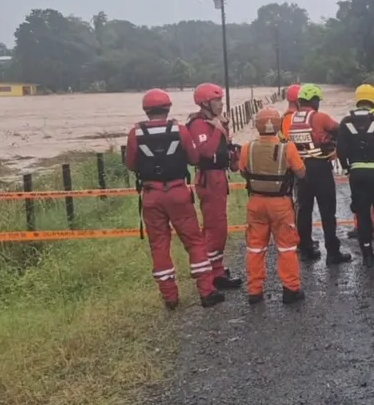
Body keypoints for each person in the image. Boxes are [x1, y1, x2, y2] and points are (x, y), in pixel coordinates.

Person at [125, 89, 225, 309]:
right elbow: (194, 158)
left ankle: (170, 298)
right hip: (178, 192)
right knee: (194, 241)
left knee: (159, 245)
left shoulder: (135, 133)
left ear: (146, 110)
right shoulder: (179, 129)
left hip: (151, 194)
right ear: (168, 107)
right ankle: (207, 292)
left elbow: (131, 164)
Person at [239, 107, 306, 305]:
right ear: (278, 126)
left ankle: (254, 291)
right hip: (281, 205)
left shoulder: (246, 148)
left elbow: (243, 172)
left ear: (257, 125)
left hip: (256, 203)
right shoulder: (288, 148)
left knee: (255, 248)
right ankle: (290, 290)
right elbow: (301, 173)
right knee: (287, 248)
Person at [287, 84, 352, 265]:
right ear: (315, 100)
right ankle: (333, 252)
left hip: (301, 169)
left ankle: (306, 248)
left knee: (304, 210)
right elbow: (341, 129)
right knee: (327, 210)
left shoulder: (293, 119)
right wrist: (335, 147)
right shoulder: (320, 117)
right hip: (320, 167)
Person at [186, 83, 243, 290]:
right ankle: (212, 273)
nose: (221, 104)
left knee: (218, 227)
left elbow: (221, 151)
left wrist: (228, 141)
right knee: (215, 228)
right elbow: (206, 152)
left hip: (218, 176)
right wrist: (219, 131)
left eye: (221, 100)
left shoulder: (215, 121)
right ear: (205, 103)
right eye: (217, 100)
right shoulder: (198, 124)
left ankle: (216, 268)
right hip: (209, 179)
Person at [337, 83, 374, 267]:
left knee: (362, 214)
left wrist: (346, 168)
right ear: (373, 98)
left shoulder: (346, 121)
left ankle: (367, 255)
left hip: (357, 173)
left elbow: (341, 149)